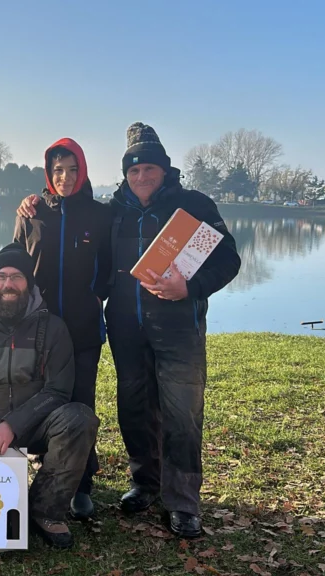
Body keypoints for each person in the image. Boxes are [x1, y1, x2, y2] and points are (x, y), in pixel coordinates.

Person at [107, 123, 240, 538]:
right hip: (127, 329)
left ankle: (183, 501)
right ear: (125, 175)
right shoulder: (114, 210)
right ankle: (144, 483)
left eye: (149, 169)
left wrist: (190, 287)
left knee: (182, 415)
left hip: (179, 330)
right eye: (134, 170)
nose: (142, 177)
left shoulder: (194, 206)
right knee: (134, 409)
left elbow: (229, 261)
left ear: (165, 170)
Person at [0, 244, 98, 549]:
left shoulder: (54, 329)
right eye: (1, 277)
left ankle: (44, 510)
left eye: (17, 277)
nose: (8, 284)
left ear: (30, 284)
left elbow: (58, 390)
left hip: (36, 429)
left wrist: (12, 424)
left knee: (79, 418)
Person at [12, 138, 111, 519]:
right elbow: (15, 268)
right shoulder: (31, 213)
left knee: (81, 401)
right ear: (48, 173)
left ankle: (82, 482)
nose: (65, 177)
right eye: (57, 170)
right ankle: (35, 467)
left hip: (84, 330)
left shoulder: (100, 217)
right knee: (36, 399)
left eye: (72, 169)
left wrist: (90, 298)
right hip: (37, 328)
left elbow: (106, 274)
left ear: (82, 170)